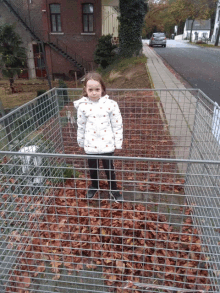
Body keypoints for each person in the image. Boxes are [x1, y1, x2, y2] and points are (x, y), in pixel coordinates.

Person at [74, 72, 123, 202]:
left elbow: (117, 125)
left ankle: (114, 189)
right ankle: (94, 185)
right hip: (90, 144)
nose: (94, 93)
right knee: (93, 167)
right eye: (90, 90)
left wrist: (118, 143)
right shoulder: (82, 106)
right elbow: (81, 126)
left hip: (107, 143)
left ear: (102, 89)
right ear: (85, 90)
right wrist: (81, 142)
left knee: (109, 168)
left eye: (97, 89)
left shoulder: (111, 104)